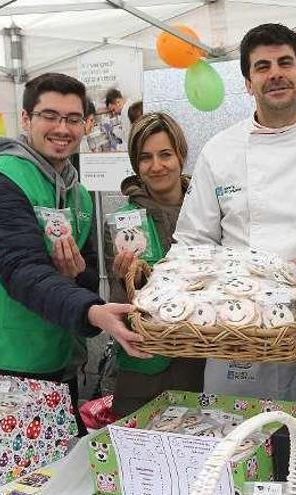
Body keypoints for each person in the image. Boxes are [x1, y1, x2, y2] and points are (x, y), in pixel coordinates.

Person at [173, 23, 296, 426]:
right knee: (233, 453)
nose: (275, 73)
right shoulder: (219, 151)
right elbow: (193, 244)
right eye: (262, 67)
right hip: (235, 334)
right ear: (248, 83)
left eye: (285, 62)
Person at [0, 73, 149, 436]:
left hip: (58, 362)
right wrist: (93, 311)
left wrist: (79, 278)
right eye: (50, 116)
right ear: (26, 119)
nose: (62, 128)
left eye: (73, 119)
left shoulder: (76, 191)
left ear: (87, 124)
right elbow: (22, 272)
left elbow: (87, 272)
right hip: (1, 367)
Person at [105, 112, 205, 416]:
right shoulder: (126, 222)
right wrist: (125, 280)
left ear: (181, 156)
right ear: (136, 165)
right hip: (145, 368)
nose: (157, 165)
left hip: (200, 362)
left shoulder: (206, 209)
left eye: (165, 154)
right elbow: (120, 307)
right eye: (146, 157)